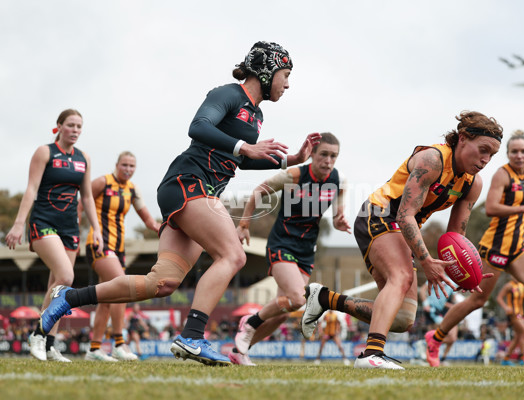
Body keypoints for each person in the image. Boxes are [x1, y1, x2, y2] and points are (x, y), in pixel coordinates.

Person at [39, 41, 321, 366]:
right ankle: (192, 337)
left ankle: (67, 298)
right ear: (267, 70)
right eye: (285, 75)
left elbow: (239, 161)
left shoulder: (256, 113)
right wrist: (244, 146)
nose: (287, 84)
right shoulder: (229, 93)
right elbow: (198, 127)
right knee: (233, 255)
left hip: (196, 191)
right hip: (188, 183)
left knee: (160, 283)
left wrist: (292, 160)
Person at [302, 111, 503, 369]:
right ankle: (371, 355)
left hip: (402, 230)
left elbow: (455, 238)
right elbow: (405, 215)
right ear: (463, 138)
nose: (486, 159)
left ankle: (324, 299)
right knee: (402, 276)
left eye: (492, 155)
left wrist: (463, 273)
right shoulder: (432, 159)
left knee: (402, 320)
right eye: (483, 149)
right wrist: (426, 260)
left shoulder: (472, 184)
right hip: (379, 214)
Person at [424, 130, 524, 367]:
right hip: (495, 247)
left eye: (523, 151)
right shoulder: (502, 175)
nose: (519, 155)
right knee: (477, 301)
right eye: (514, 151)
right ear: (508, 154)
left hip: (517, 247)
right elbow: (491, 208)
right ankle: (435, 339)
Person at [227, 132, 351, 366]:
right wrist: (243, 224)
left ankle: (239, 350)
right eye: (323, 154)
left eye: (334, 156)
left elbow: (336, 216)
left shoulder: (339, 181)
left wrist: (339, 221)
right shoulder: (293, 175)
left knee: (282, 312)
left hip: (306, 249)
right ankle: (250, 323)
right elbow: (258, 192)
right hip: (282, 243)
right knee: (296, 299)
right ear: (312, 154)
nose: (328, 161)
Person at [4, 109, 103, 362]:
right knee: (66, 275)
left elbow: (88, 197)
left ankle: (49, 345)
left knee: (59, 286)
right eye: (70, 125)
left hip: (70, 226)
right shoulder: (45, 152)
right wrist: (18, 224)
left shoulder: (84, 158)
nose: (76, 130)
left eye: (79, 126)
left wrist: (97, 230)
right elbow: (31, 189)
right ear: (59, 126)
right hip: (44, 222)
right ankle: (37, 334)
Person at [83, 151, 160, 362]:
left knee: (106, 300)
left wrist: (165, 228)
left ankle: (94, 349)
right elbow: (81, 203)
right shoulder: (102, 182)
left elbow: (149, 221)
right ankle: (119, 343)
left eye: (132, 166)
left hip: (118, 249)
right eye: (124, 165)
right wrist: (70, 231)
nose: (128, 169)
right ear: (116, 165)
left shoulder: (132, 190)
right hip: (99, 245)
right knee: (122, 287)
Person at [419, 282, 458, 364]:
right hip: (433, 309)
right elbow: (422, 290)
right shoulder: (437, 276)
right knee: (436, 332)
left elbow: (453, 298)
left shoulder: (453, 282)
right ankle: (429, 356)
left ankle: (427, 346)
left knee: (452, 337)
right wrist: (426, 304)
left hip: (443, 311)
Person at [496, 277, 524, 365]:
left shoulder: (522, 286)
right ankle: (523, 358)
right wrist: (505, 307)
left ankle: (506, 359)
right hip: (513, 314)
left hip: (521, 313)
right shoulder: (509, 286)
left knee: (517, 337)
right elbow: (499, 298)